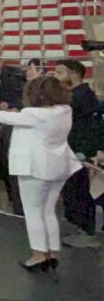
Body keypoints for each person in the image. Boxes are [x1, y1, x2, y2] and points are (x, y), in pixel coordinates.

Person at [0, 74, 81, 272]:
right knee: (48, 211)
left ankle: (38, 255)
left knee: (34, 212)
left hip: (35, 169)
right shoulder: (65, 110)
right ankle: (52, 253)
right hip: (59, 166)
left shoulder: (35, 115)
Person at [52, 60, 104, 249]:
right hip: (70, 150)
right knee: (71, 191)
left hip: (79, 152)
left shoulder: (83, 96)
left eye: (59, 72)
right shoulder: (73, 95)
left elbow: (94, 127)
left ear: (73, 74)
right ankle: (78, 227)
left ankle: (87, 232)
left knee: (79, 191)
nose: (55, 75)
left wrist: (95, 151)